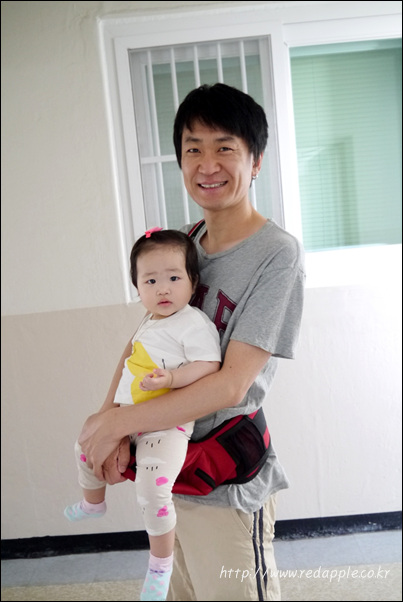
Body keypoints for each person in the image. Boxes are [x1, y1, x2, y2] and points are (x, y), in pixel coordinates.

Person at [78, 82, 305, 601]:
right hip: (166, 463)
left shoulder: (276, 254)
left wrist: (118, 423)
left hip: (224, 479)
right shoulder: (183, 242)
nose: (207, 164)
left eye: (225, 147)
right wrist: (111, 423)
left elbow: (231, 385)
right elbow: (140, 344)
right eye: (193, 149)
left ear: (256, 160)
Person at [65, 228, 221, 601]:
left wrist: (173, 378)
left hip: (167, 425)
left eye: (174, 278)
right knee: (84, 444)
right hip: (130, 417)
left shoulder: (193, 322)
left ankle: (160, 566)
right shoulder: (150, 321)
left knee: (151, 487)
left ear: (192, 281)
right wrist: (112, 416)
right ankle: (93, 502)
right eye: (150, 281)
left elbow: (209, 365)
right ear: (137, 287)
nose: (163, 289)